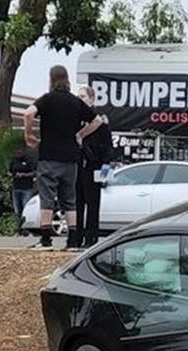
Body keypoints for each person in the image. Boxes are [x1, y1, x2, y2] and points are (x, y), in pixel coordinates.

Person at [23, 65, 103, 250]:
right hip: (71, 159)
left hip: (49, 156)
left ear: (51, 79)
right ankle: (73, 240)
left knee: (47, 197)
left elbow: (28, 113)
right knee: (70, 199)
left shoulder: (47, 99)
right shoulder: (75, 102)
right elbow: (97, 121)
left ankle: (46, 240)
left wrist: (28, 135)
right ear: (67, 80)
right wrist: (80, 135)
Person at [75, 85, 112, 249]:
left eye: (82, 97)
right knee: (77, 203)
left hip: (94, 165)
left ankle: (91, 238)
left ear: (91, 99)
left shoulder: (101, 119)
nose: (80, 100)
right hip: (78, 165)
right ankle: (77, 238)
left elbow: (108, 147)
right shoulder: (75, 119)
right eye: (78, 97)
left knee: (93, 203)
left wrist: (105, 173)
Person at [10, 146, 37, 217]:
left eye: (19, 151)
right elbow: (10, 171)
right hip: (16, 188)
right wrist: (12, 175)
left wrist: (24, 175)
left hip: (27, 188)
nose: (18, 153)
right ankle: (19, 226)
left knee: (26, 209)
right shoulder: (14, 160)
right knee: (17, 210)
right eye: (16, 151)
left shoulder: (29, 159)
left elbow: (35, 172)